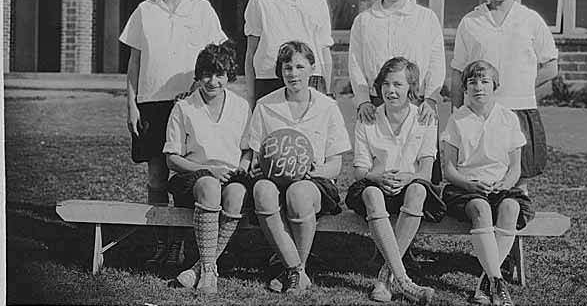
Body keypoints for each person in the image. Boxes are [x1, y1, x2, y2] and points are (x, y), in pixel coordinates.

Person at [449, 0, 558, 278]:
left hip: (518, 109)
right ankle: (494, 262)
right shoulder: (472, 22)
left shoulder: (530, 19)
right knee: (484, 184)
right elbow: (458, 73)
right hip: (480, 114)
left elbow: (550, 66)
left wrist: (520, 83)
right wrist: (459, 113)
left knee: (514, 188)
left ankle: (506, 258)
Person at [119, 0, 228, 273]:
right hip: (151, 104)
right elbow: (135, 61)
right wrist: (131, 104)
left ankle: (180, 243)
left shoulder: (202, 9)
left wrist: (198, 90)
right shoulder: (144, 10)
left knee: (184, 173)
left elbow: (216, 56)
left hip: (189, 104)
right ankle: (160, 242)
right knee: (156, 176)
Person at [247, 41, 351, 294]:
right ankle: (296, 270)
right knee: (262, 191)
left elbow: (336, 165)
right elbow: (254, 156)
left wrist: (315, 172)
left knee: (298, 193)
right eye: (287, 67)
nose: (293, 73)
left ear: (312, 69)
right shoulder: (265, 105)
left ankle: (293, 267)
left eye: (300, 66)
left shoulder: (327, 107)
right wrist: (258, 168)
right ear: (280, 71)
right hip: (275, 179)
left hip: (314, 182)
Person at [345, 57, 445, 304]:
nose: (390, 90)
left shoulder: (425, 118)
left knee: (418, 191)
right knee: (371, 193)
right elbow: (360, 171)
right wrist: (375, 177)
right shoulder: (368, 117)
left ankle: (386, 277)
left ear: (411, 88)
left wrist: (409, 177)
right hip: (376, 189)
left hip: (410, 190)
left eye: (398, 84)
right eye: (386, 84)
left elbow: (426, 170)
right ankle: (405, 282)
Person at [441, 60, 533, 306]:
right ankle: (498, 281)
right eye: (472, 82)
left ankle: (486, 282)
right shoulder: (457, 120)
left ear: (495, 86)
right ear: (465, 88)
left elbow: (515, 168)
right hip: (466, 189)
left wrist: (504, 184)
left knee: (511, 208)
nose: (478, 87)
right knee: (481, 209)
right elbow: (448, 169)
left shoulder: (508, 118)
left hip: (500, 187)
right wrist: (470, 185)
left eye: (485, 81)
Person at [163, 42, 252, 294]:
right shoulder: (184, 107)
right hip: (193, 177)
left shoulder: (241, 106)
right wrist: (208, 170)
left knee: (237, 195)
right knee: (210, 186)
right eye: (206, 74)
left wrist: (242, 167)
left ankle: (199, 268)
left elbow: (247, 149)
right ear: (198, 75)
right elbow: (172, 158)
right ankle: (210, 271)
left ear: (229, 75)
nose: (213, 81)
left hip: (231, 177)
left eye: (219, 74)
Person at [349, 0, 445, 126]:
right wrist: (363, 101)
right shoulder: (364, 20)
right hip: (376, 104)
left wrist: (431, 100)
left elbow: (436, 62)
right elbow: (356, 64)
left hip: (418, 104)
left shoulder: (426, 18)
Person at [244, 0, 334, 109]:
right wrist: (251, 94)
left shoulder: (317, 2)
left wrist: (327, 91)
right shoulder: (260, 0)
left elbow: (324, 51)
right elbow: (251, 53)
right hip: (269, 78)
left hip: (310, 78)